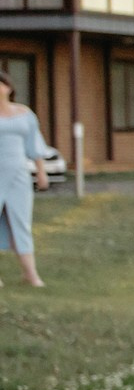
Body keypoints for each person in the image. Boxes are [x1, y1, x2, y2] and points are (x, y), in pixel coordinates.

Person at [0, 68, 50, 287]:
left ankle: (31, 274)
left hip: (18, 174)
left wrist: (41, 171)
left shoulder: (24, 114)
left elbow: (34, 145)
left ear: (8, 87)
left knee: (21, 221)